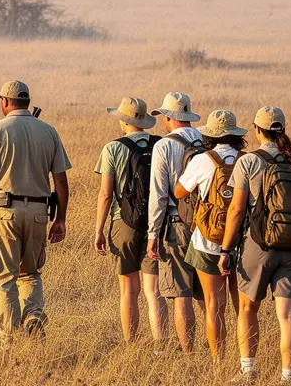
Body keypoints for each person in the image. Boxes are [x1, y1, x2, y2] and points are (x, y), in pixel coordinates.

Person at [219, 107, 291, 384]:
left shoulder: (249, 162)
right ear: (282, 130)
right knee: (288, 314)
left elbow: (237, 211)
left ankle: (248, 372)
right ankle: (288, 378)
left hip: (259, 245)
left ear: (256, 129)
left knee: (247, 309)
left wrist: (226, 250)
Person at [0, 80, 71, 346]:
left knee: (4, 278)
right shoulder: (49, 132)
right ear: (27, 102)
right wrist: (60, 219)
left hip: (4, 212)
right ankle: (34, 315)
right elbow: (61, 181)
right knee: (31, 272)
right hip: (40, 212)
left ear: (5, 102)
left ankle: (9, 341)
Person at [93, 97, 168, 343]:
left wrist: (99, 231)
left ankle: (130, 345)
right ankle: (160, 346)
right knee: (154, 291)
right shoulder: (160, 144)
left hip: (123, 223)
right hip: (156, 224)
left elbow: (106, 194)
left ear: (124, 121)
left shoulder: (113, 148)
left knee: (128, 290)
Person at [174, 109, 245, 363]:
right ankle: (246, 359)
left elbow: (180, 192)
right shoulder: (247, 160)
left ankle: (218, 362)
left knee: (214, 304)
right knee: (243, 307)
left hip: (208, 240)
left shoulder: (203, 160)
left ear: (210, 136)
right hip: (244, 243)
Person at [146, 92, 205, 353]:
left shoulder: (164, 146)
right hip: (207, 224)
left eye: (164, 117)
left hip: (176, 223)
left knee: (181, 293)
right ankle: (217, 347)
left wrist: (152, 235)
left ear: (169, 118)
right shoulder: (207, 140)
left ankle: (187, 352)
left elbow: (158, 194)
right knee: (208, 293)